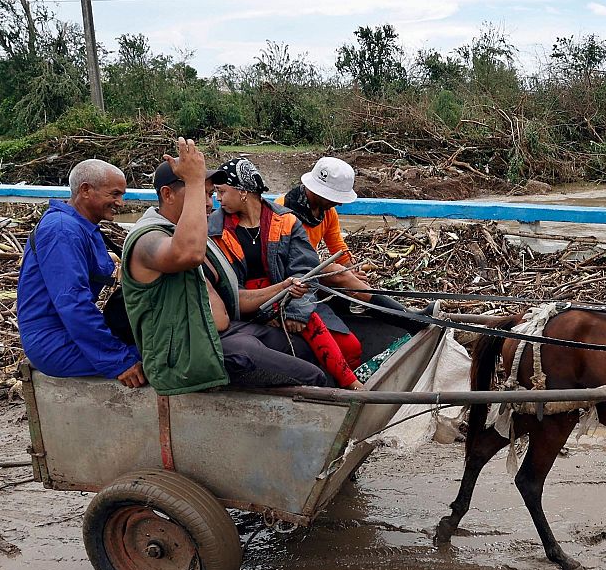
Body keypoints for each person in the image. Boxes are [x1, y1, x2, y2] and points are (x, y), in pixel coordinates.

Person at [122, 140, 332, 394]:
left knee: (304, 350)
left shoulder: (195, 236)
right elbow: (186, 253)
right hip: (191, 351)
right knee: (313, 377)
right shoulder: (149, 238)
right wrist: (194, 179)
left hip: (227, 331)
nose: (211, 203)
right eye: (202, 193)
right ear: (168, 195)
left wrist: (284, 287)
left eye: (211, 194)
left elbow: (236, 298)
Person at [208, 156, 363, 389]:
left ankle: (351, 384)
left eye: (221, 192)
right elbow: (227, 290)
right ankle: (349, 385)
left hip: (286, 298)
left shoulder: (286, 221)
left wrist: (295, 312)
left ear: (243, 192)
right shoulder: (215, 231)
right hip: (245, 304)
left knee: (347, 344)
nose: (217, 199)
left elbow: (304, 269)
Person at [17, 159, 145, 387]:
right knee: (157, 358)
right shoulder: (62, 231)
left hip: (68, 330)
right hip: (54, 342)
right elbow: (73, 303)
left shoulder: (81, 225)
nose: (120, 203)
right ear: (85, 190)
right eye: (114, 194)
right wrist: (118, 360)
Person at [279, 155, 411, 317]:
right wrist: (342, 274)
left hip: (308, 270)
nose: (339, 203)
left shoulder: (328, 213)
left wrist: (352, 272)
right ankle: (407, 317)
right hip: (287, 274)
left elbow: (338, 248)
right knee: (337, 272)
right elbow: (277, 258)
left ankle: (382, 315)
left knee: (348, 275)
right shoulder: (281, 210)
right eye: (335, 197)